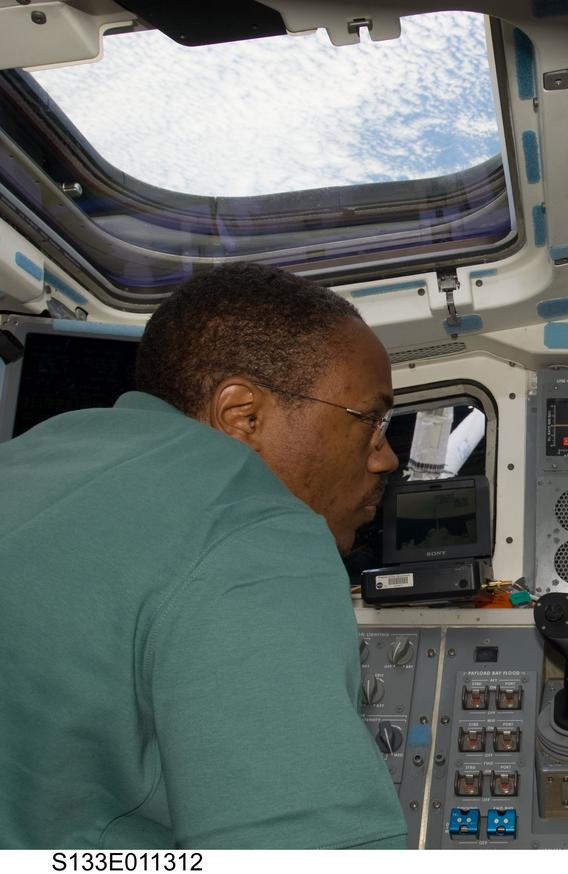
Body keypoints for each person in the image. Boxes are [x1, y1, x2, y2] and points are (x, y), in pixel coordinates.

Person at [0, 264, 406, 848]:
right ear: (243, 416)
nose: (386, 458)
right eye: (371, 420)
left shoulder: (36, 454)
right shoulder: (254, 525)